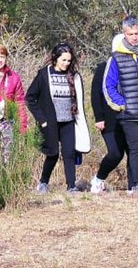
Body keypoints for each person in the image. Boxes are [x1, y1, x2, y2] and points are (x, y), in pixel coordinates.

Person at [102, 15, 138, 193]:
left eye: (137, 33)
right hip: (128, 114)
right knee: (137, 148)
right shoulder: (116, 58)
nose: (134, 37)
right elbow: (108, 86)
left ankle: (137, 183)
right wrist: (122, 104)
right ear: (124, 34)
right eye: (130, 34)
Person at [26, 43, 92, 194]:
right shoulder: (44, 74)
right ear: (55, 58)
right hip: (50, 122)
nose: (66, 63)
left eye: (69, 61)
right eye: (63, 60)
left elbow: (79, 99)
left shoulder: (74, 77)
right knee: (53, 154)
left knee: (69, 153)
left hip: (68, 121)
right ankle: (43, 182)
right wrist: (42, 119)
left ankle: (71, 186)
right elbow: (30, 98)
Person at [89, 54, 127, 193]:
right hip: (109, 120)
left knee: (133, 152)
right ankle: (99, 178)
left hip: (129, 118)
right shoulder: (103, 67)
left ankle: (135, 185)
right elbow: (95, 94)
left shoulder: (133, 66)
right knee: (115, 153)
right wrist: (99, 117)